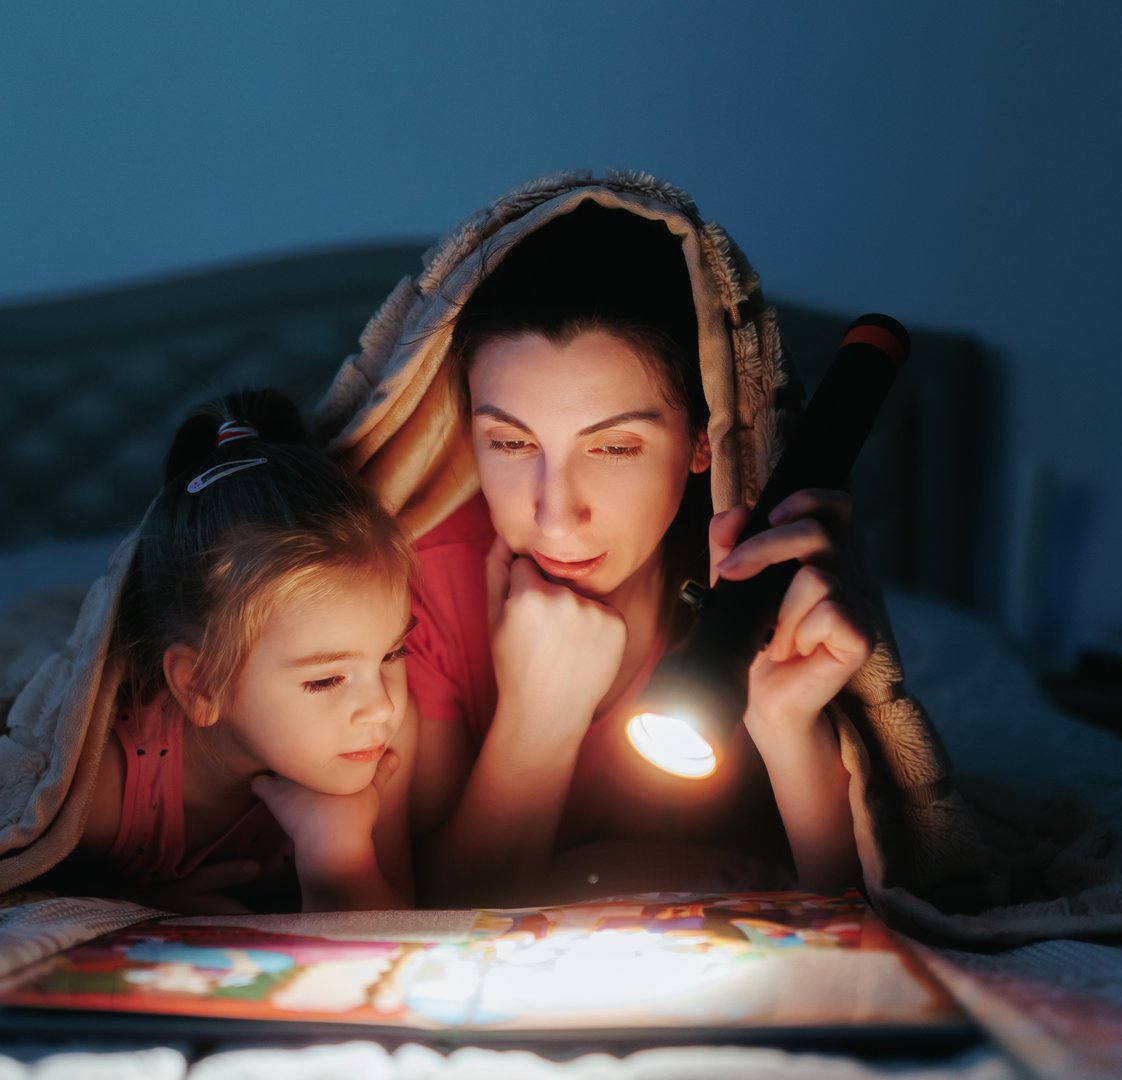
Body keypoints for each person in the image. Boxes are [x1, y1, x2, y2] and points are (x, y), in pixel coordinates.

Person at [324, 191, 873, 906]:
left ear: (704, 440)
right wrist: (539, 714)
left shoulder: (757, 578)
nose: (555, 512)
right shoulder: (406, 590)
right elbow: (434, 918)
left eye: (615, 446)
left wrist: (786, 726)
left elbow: (853, 909)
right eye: (512, 442)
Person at [69, 389, 418, 913]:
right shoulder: (105, 790)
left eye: (392, 654)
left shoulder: (377, 748)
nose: (384, 707)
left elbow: (398, 935)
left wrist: (337, 854)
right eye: (326, 679)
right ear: (200, 684)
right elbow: (17, 892)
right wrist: (145, 908)